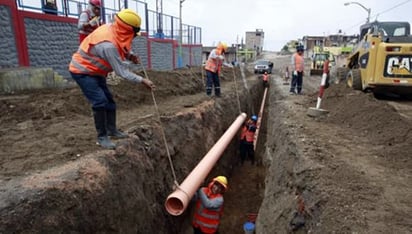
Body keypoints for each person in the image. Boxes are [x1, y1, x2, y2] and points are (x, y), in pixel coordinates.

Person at [69, 9, 155, 149]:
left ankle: (112, 130)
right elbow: (121, 72)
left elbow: (122, 46)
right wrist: (143, 80)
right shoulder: (108, 44)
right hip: (83, 71)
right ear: (127, 30)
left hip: (96, 72)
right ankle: (102, 137)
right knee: (100, 101)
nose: (133, 37)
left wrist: (130, 55)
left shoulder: (114, 29)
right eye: (133, 34)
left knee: (109, 100)